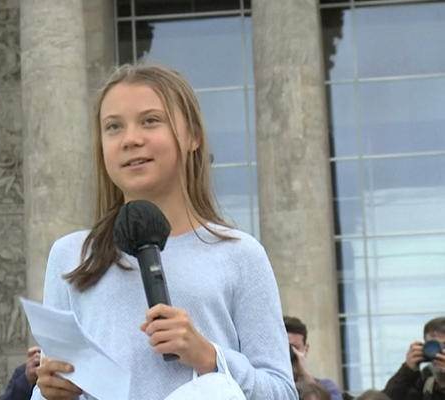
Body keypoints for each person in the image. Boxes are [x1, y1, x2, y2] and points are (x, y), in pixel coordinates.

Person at [30, 63, 297, 400]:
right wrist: (48, 392)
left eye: (150, 121)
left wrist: (210, 357)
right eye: (113, 127)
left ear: (193, 136)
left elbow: (283, 393)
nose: (131, 139)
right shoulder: (71, 256)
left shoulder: (241, 256)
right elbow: (54, 381)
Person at [383, 317, 445, 400]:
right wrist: (407, 371)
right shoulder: (423, 380)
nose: (441, 351)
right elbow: (387, 398)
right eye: (434, 345)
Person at [284, 316, 343, 400]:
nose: (288, 353)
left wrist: (305, 375)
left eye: (294, 347)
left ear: (306, 350)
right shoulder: (269, 386)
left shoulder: (327, 387)